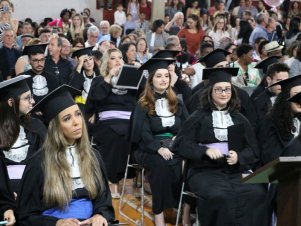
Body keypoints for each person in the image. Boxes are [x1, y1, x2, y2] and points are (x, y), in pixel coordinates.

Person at [174, 67, 267, 226]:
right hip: (204, 170)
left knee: (256, 192)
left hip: (234, 171)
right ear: (210, 92)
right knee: (219, 196)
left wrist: (240, 157)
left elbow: (253, 150)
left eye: (227, 90)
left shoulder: (239, 118)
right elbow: (180, 144)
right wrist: (205, 150)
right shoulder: (198, 117)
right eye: (219, 90)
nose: (224, 93)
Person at [17, 85, 115, 226]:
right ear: (55, 127)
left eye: (78, 114)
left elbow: (103, 199)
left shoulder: (93, 156)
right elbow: (26, 216)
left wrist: (99, 215)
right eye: (67, 119)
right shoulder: (39, 162)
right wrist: (57, 223)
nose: (76, 122)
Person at [131, 58, 187, 226]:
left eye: (166, 76)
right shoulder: (143, 104)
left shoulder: (177, 101)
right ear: (151, 80)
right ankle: (159, 213)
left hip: (175, 146)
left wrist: (179, 139)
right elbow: (143, 133)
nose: (163, 79)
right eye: (159, 76)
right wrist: (158, 148)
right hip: (148, 148)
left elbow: (188, 126)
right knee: (161, 164)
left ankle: (183, 211)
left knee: (189, 164)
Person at [85, 48, 138, 198]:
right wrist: (110, 77)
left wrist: (139, 74)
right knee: (115, 136)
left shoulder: (131, 80)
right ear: (107, 63)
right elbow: (93, 102)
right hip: (107, 122)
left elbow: (142, 98)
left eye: (120, 58)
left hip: (128, 121)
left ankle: (124, 178)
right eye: (113, 58)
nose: (117, 61)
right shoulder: (99, 80)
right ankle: (111, 181)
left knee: (133, 134)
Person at [0, 75, 46, 194]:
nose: (33, 101)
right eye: (27, 98)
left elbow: (46, 160)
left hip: (34, 189)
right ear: (11, 102)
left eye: (32, 97)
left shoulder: (36, 126)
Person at [69, 47, 101, 112]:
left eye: (90, 59)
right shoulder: (76, 76)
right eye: (85, 61)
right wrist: (79, 65)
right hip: (80, 108)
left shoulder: (100, 75)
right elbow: (72, 91)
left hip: (96, 108)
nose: (89, 62)